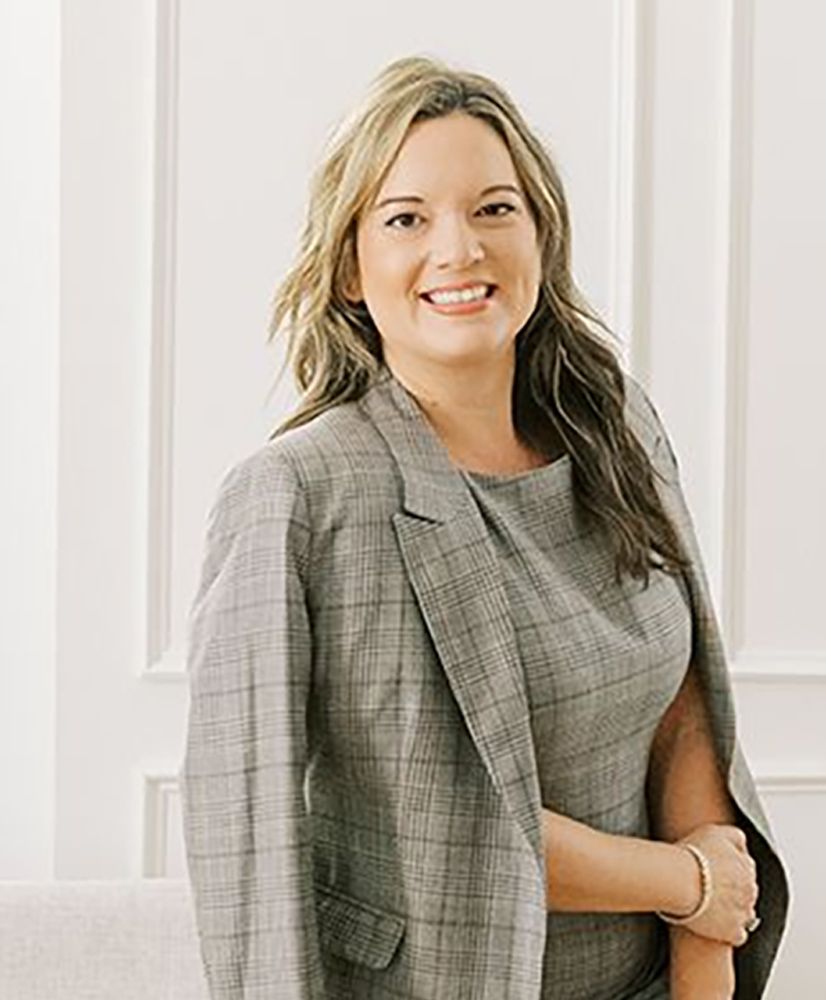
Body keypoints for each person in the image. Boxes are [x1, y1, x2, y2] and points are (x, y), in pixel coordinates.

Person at [180, 55, 790, 1000]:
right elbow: (280, 853)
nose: (459, 249)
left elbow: (682, 701)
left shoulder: (614, 423)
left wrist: (703, 955)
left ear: (541, 236)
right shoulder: (296, 497)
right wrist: (687, 882)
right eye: (406, 218)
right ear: (350, 265)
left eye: (495, 209)